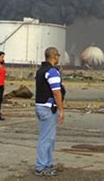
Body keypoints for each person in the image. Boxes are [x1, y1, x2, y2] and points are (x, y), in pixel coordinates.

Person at [35, 47, 65, 177]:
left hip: (41, 106)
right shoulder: (51, 71)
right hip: (48, 108)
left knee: (49, 138)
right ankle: (41, 167)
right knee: (46, 138)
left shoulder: (40, 70)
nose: (59, 57)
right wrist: (61, 109)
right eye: (58, 55)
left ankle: (47, 164)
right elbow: (56, 92)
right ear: (54, 56)